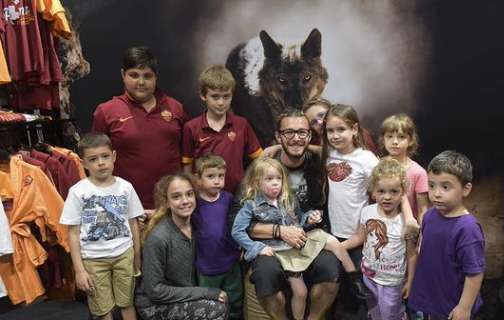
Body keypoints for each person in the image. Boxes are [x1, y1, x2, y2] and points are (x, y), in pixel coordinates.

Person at [236, 108, 341, 320]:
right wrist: (279, 231)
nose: (296, 138)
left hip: (308, 238)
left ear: (310, 135)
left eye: (302, 132)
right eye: (289, 133)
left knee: (331, 268)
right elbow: (236, 219)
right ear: (278, 135)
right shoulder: (261, 168)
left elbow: (343, 153)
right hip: (271, 244)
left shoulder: (319, 166)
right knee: (265, 274)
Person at [232, 157, 364, 320]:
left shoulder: (287, 199)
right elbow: (237, 231)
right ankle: (354, 278)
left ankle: (353, 278)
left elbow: (298, 219)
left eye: (278, 179)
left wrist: (309, 218)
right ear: (258, 182)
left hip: (296, 246)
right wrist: (256, 248)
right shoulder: (250, 205)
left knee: (329, 244)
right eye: (269, 179)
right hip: (278, 251)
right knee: (298, 291)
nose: (275, 183)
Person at [92, 46, 188, 213]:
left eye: (147, 76)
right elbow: (94, 163)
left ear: (156, 77)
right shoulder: (106, 111)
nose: (141, 82)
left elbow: (188, 157)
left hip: (172, 208)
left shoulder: (176, 108)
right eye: (134, 75)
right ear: (123, 75)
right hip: (125, 209)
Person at [60, 133, 142, 320]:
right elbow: (72, 233)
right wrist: (79, 270)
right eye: (93, 159)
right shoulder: (77, 191)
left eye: (105, 157)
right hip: (93, 260)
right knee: (103, 309)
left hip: (124, 255)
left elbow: (133, 222)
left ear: (113, 156)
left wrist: (137, 255)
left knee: (127, 302)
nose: (101, 163)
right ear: (83, 163)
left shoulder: (125, 187)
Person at [135, 173, 229, 320]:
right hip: (153, 303)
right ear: (166, 202)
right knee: (215, 308)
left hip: (184, 293)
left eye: (189, 194)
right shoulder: (159, 238)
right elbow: (155, 290)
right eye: (176, 197)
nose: (185, 201)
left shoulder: (197, 225)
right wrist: (204, 292)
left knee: (222, 300)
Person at [408, 151, 485, 320]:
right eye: (432, 185)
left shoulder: (468, 229)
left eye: (445, 187)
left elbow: (474, 273)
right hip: (432, 297)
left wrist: (464, 308)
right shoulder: (429, 216)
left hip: (452, 305)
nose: (436, 193)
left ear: (466, 189)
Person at [320, 103, 380, 319]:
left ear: (354, 129)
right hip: (334, 232)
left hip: (358, 237)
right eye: (330, 131)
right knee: (335, 289)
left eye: (341, 130)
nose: (335, 136)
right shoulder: (329, 154)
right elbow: (318, 149)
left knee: (357, 293)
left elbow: (385, 188)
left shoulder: (367, 160)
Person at [347, 157, 419, 320]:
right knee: (374, 310)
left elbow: (412, 254)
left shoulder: (406, 223)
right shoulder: (367, 212)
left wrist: (410, 281)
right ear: (373, 191)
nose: (387, 197)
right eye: (381, 191)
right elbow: (360, 237)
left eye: (394, 191)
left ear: (403, 192)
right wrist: (339, 246)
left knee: (390, 314)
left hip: (392, 282)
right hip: (369, 276)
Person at [182, 65, 263, 194]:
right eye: (215, 97)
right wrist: (193, 192)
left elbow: (260, 160)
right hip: (204, 199)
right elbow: (187, 169)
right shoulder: (191, 127)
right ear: (203, 95)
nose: (221, 102)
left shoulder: (242, 124)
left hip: (237, 197)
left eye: (226, 97)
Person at [193, 155, 243, 320]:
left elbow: (238, 225)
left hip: (231, 261)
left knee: (235, 299)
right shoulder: (194, 203)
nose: (217, 181)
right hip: (207, 266)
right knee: (208, 304)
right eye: (210, 176)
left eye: (221, 176)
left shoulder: (228, 198)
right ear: (198, 179)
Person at [379, 113, 429, 223]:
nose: (395, 142)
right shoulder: (376, 166)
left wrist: (422, 236)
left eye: (401, 137)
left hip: (406, 231)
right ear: (383, 139)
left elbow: (422, 210)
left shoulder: (418, 173)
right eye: (389, 136)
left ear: (410, 140)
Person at [303, 97, 379, 154]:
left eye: (322, 115)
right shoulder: (315, 140)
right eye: (313, 122)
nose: (320, 122)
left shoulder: (358, 134)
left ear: (332, 110)